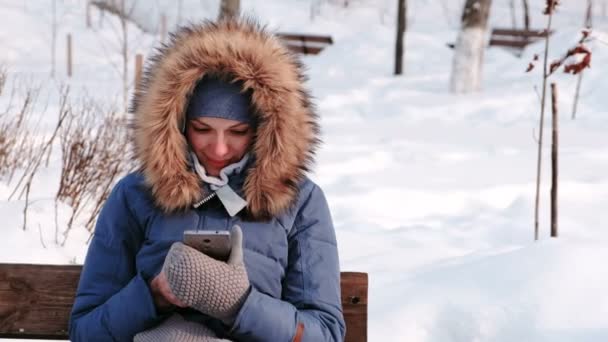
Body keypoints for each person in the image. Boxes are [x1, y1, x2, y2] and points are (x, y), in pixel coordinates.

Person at [69, 18, 345, 342]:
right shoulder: (134, 195)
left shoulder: (301, 203)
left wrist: (241, 305)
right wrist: (153, 295)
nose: (218, 148)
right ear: (179, 123)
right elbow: (85, 332)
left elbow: (324, 334)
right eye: (202, 129)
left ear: (264, 130)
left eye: (237, 132)